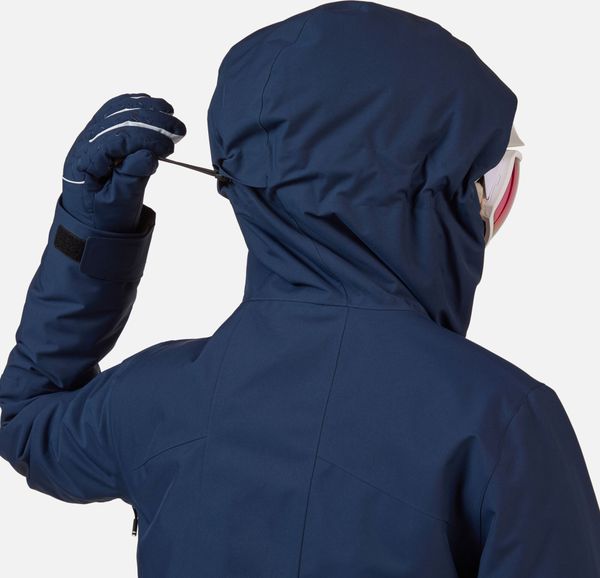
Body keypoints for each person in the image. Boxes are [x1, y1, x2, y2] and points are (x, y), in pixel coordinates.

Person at [1, 1, 599, 576]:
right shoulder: (503, 423)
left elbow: (23, 418)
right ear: (435, 193)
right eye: (488, 172)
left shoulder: (157, 398)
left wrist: (90, 232)